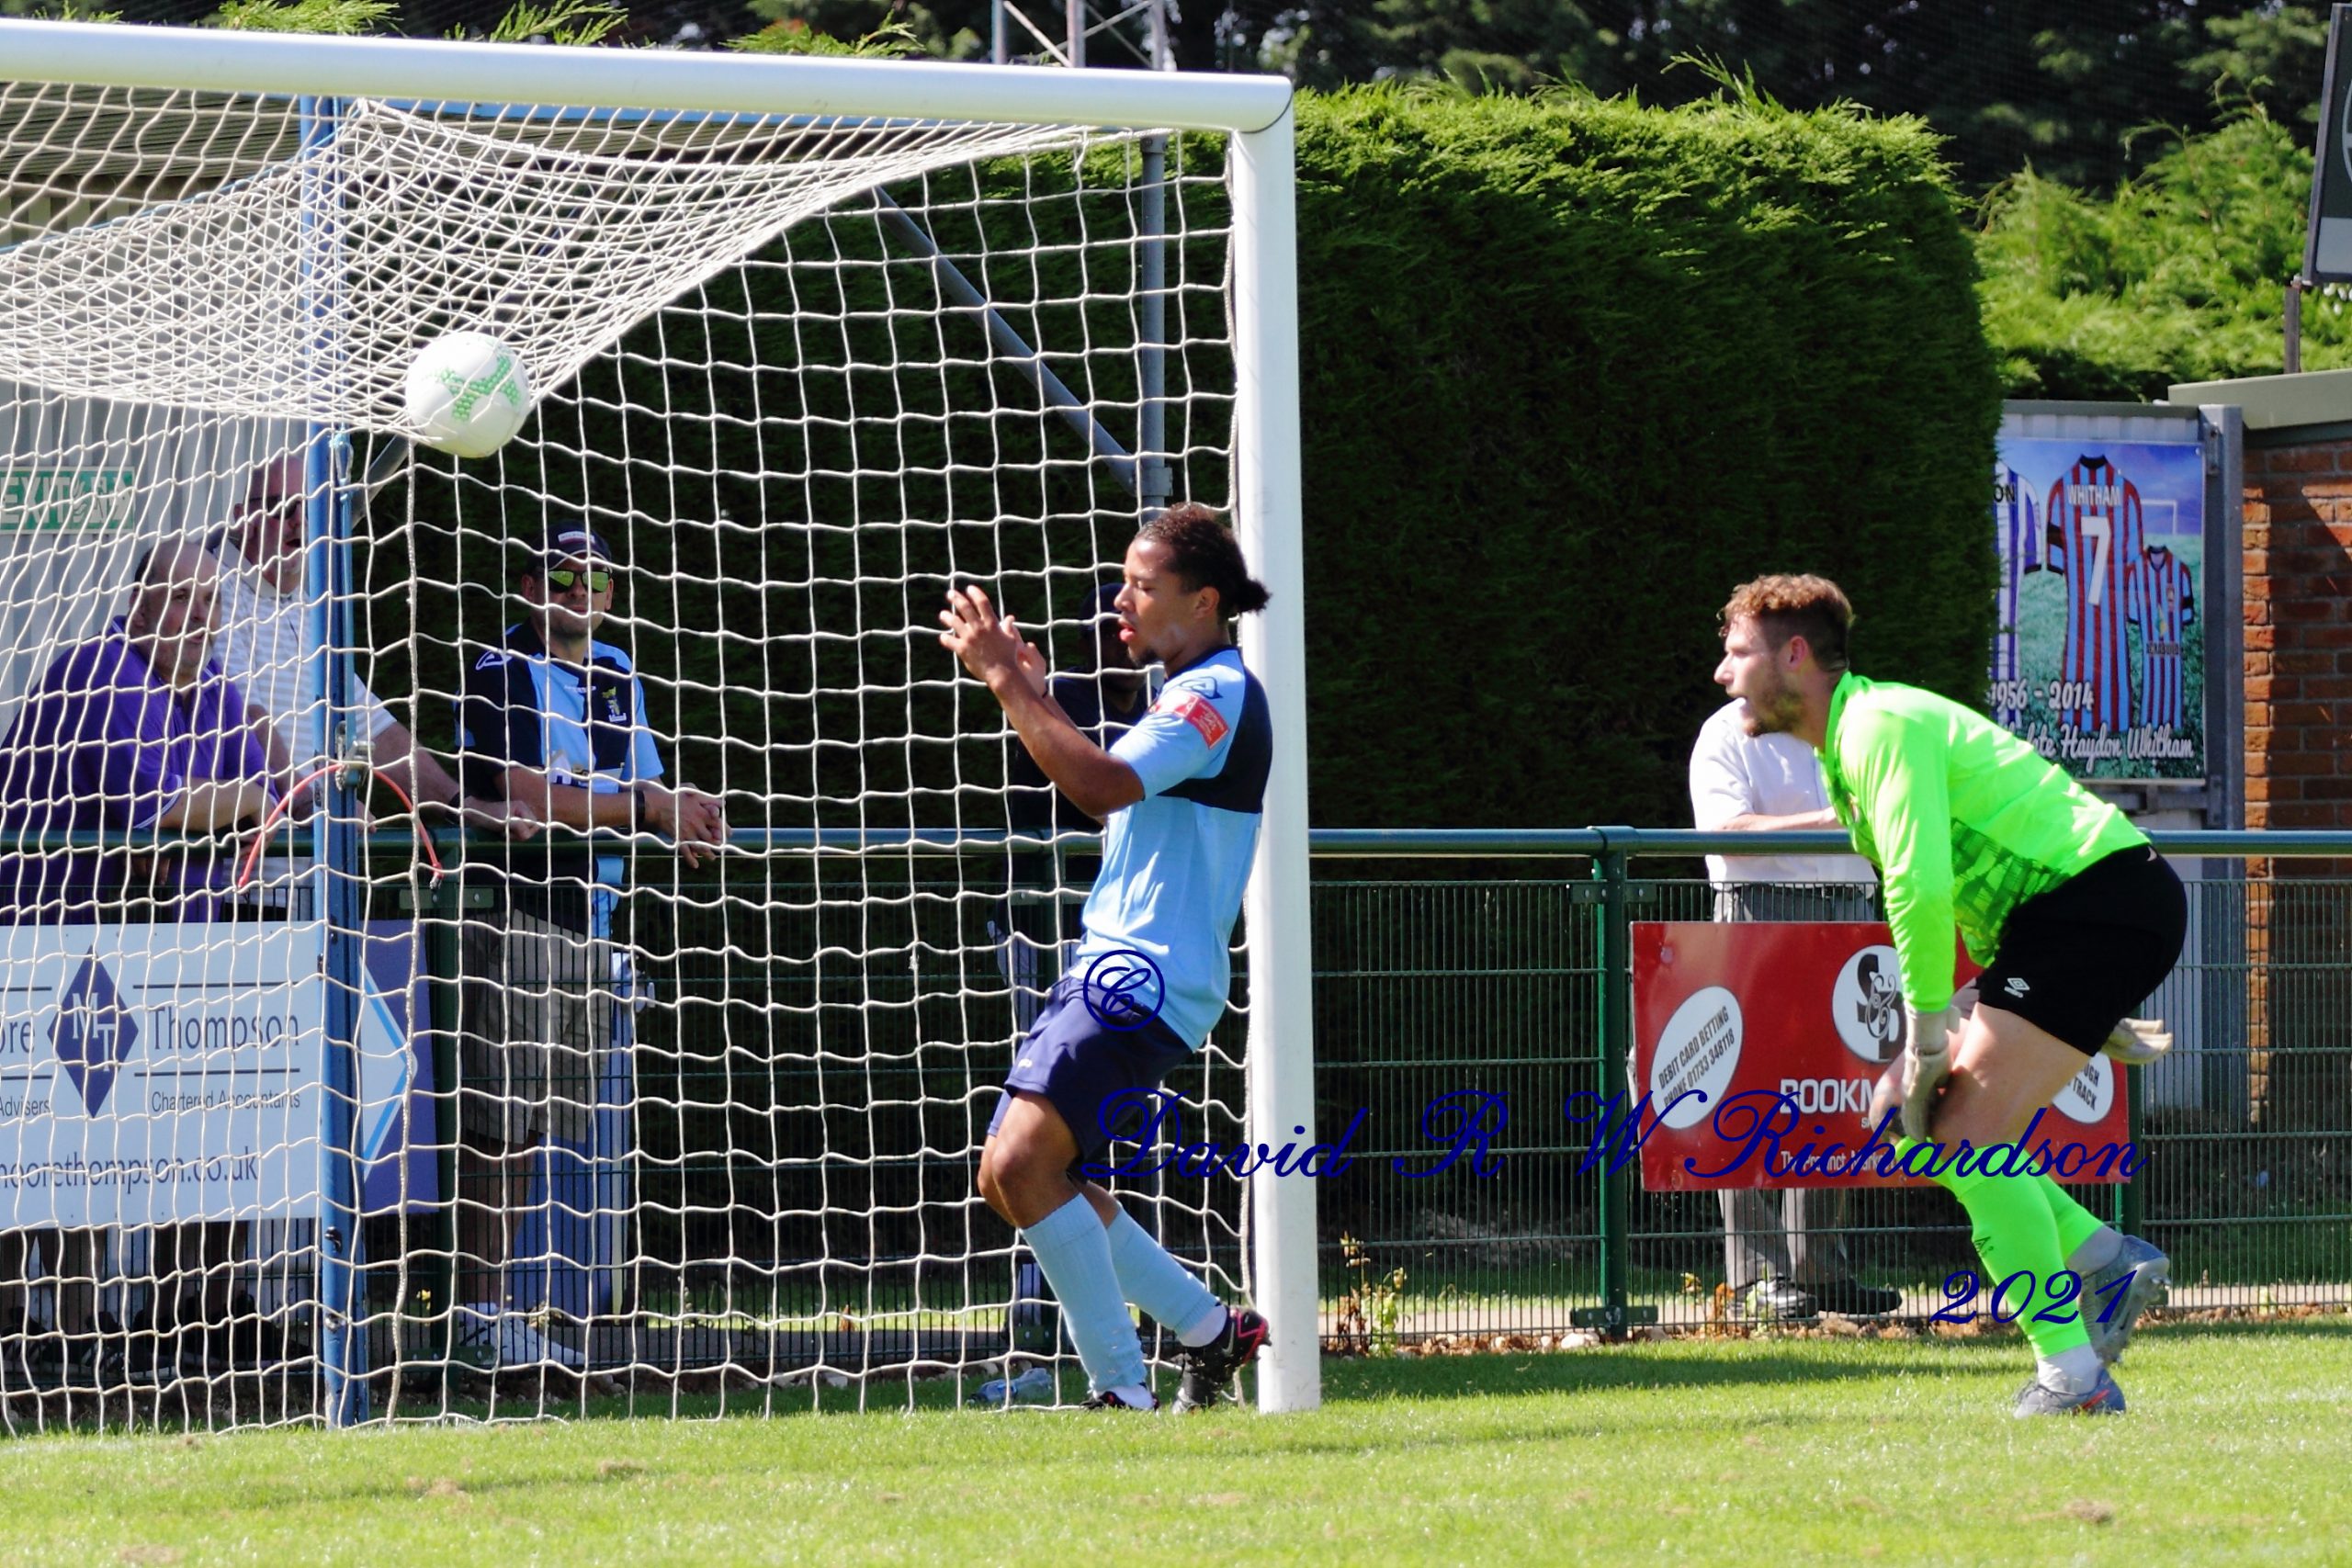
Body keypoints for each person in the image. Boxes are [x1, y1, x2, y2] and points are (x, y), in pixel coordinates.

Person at [1713, 573, 2180, 1416]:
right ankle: (2102, 1257)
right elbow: (1972, 883)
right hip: (2080, 919)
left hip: (2096, 908)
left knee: (1965, 1130)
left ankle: (2073, 1376)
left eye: (1738, 651)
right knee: (1914, 1118)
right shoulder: (1852, 740)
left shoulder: (1876, 726)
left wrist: (1930, 1035)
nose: (1722, 672)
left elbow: (1922, 888)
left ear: (1795, 655)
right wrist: (1987, 1006)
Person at [941, 502, 1272, 1414]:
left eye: (1140, 586)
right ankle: (1209, 1329)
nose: (1119, 602)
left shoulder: (1214, 694)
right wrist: (1035, 693)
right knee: (1014, 1177)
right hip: (1118, 968)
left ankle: (1120, 1388)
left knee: (1021, 1168)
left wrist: (1005, 680)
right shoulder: (1186, 691)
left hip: (1143, 978)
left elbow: (1096, 783)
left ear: (1202, 602)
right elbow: (1102, 780)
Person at [451, 521, 727, 1369]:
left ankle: (504, 1311)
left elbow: (648, 782)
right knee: (497, 1126)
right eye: (566, 573)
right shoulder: (500, 670)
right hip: (517, 912)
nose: (583, 589)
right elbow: (532, 799)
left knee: (537, 1127)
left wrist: (685, 808)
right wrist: (646, 807)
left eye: (599, 577)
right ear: (531, 586)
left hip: (592, 919)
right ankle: (476, 1312)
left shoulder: (616, 670)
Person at [0, 540, 277, 1380]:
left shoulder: (214, 687)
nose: (200, 618)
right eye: (183, 598)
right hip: (38, 946)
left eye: (211, 602)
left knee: (201, 1129)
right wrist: (245, 799)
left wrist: (253, 796)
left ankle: (185, 1318)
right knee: (45, 1149)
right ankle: (45, 1332)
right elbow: (168, 809)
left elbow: (275, 793)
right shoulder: (101, 671)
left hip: (157, 954)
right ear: (141, 600)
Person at [1688, 700, 1901, 1321]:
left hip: (1851, 910)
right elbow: (1724, 830)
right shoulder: (1724, 730)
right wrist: (1833, 820)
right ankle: (1758, 1278)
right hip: (1760, 910)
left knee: (1837, 1088)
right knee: (1745, 1089)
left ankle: (1821, 1271)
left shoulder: (1851, 725)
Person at [213, 457, 530, 833]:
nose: (299, 520)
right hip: (248, 862)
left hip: (313, 863)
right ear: (243, 517)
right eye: (282, 507)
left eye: (310, 507)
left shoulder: (309, 606)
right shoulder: (214, 593)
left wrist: (464, 807)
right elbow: (245, 715)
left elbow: (373, 726)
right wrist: (309, 801)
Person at [999, 581, 1150, 1031]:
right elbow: (1106, 797)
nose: (1123, 643)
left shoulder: (1158, 706)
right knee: (1053, 1052)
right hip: (1042, 923)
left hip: (1122, 927)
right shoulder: (1059, 696)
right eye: (1108, 632)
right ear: (1084, 643)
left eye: (1131, 629)